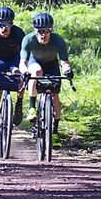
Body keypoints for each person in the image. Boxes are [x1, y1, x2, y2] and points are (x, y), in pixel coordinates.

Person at [20, 11, 73, 139]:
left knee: (55, 96)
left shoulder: (58, 40)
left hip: (51, 64)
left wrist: (67, 71)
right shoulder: (28, 39)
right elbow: (23, 62)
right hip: (35, 62)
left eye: (47, 31)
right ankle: (32, 107)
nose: (43, 35)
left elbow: (64, 62)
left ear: (51, 30)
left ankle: (55, 128)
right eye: (40, 31)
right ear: (35, 30)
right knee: (36, 72)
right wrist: (25, 72)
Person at [0, 6, 25, 148]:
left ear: (11, 24)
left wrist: (21, 68)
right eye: (0, 25)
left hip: (15, 59)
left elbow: (24, 56)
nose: (3, 28)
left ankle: (19, 103)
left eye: (6, 25)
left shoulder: (19, 33)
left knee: (21, 77)